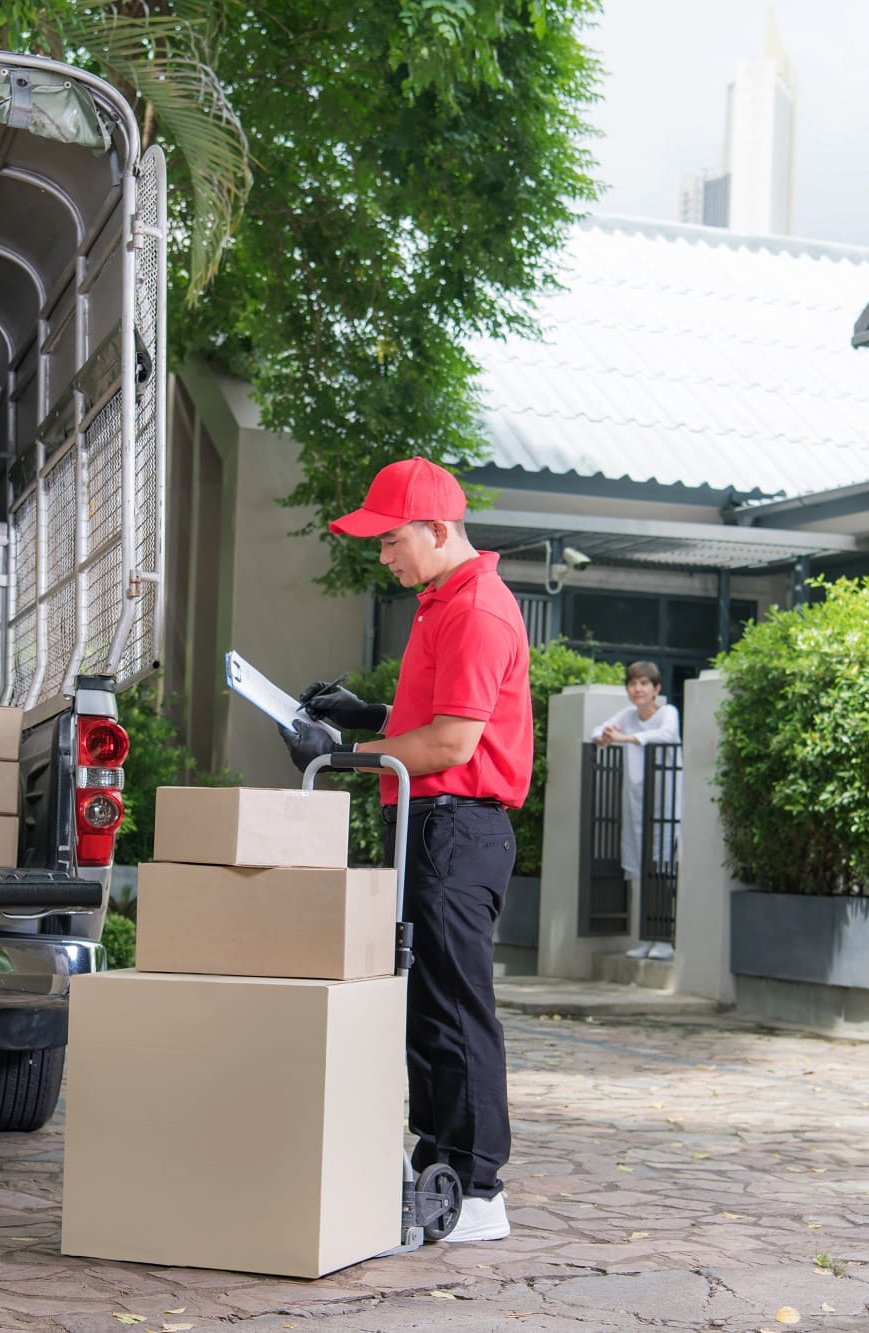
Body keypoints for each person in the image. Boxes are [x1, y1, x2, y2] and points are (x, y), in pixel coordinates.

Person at [278, 456, 531, 1245]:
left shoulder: (478, 609)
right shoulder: (442, 602)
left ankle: (479, 1192)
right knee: (428, 1007)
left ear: (437, 528)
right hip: (433, 821)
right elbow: (439, 712)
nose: (383, 556)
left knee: (456, 1007)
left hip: (458, 826)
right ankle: (440, 1167)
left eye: (390, 540)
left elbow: (455, 740)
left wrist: (341, 757)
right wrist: (366, 716)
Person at [594, 661, 681, 961]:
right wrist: (605, 734)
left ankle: (665, 939)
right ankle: (647, 937)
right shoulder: (628, 715)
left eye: (644, 684)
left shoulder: (668, 713)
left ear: (656, 689)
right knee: (642, 869)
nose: (638, 689)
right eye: (633, 684)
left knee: (662, 867)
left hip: (664, 805)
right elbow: (598, 731)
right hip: (636, 804)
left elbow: (667, 735)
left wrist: (626, 738)